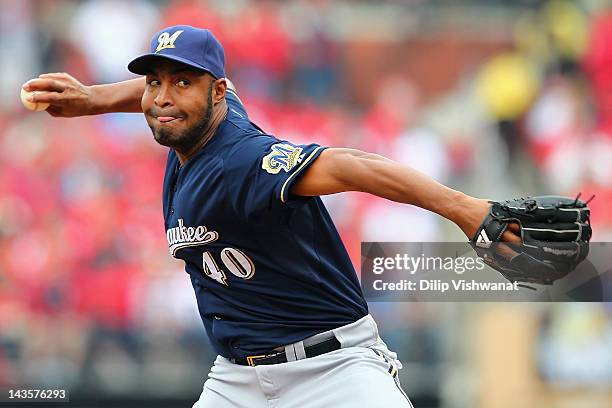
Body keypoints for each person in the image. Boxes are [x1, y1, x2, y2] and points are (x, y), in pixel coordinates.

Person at [23, 25, 520, 408]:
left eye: (183, 83)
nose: (162, 97)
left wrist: (465, 209)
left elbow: (353, 165)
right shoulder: (199, 125)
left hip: (332, 371)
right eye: (155, 82)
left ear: (217, 92)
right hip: (237, 380)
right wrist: (94, 99)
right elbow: (163, 95)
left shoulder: (242, 160)